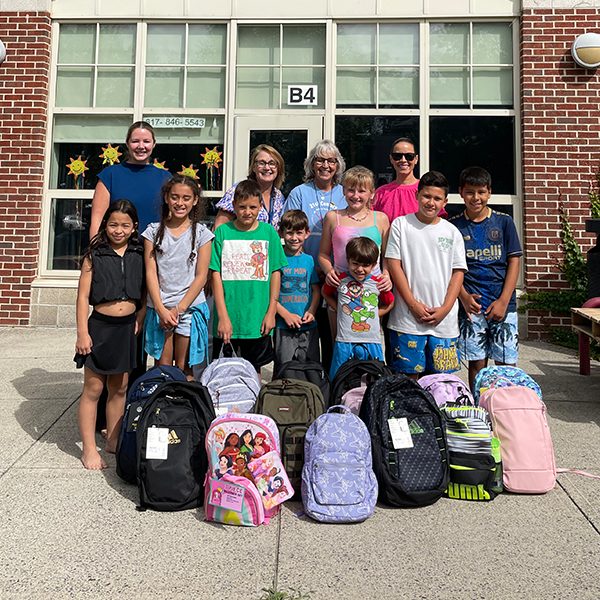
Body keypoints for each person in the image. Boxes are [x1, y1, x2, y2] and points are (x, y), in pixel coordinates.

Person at [74, 200, 145, 470]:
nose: (119, 230)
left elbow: (147, 290)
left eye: (125, 225)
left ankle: (113, 439)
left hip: (127, 328)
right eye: (113, 224)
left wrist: (139, 316)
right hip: (99, 328)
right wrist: (82, 333)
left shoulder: (140, 252)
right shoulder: (95, 255)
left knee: (120, 387)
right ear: (105, 224)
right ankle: (89, 449)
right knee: (94, 388)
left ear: (134, 227)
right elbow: (82, 297)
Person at [386, 171, 467, 380]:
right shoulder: (401, 225)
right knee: (408, 380)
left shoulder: (452, 232)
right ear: (417, 195)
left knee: (441, 382)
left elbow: (458, 273)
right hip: (406, 320)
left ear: (445, 202)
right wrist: (413, 305)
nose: (431, 202)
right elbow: (395, 267)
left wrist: (445, 309)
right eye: (426, 196)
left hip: (444, 323)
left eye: (437, 198)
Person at [449, 166, 523, 390]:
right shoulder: (454, 226)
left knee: (506, 363)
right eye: (470, 192)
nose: (476, 197)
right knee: (477, 363)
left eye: (481, 192)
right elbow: (451, 268)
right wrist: (462, 297)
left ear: (489, 192)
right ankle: (478, 407)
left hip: (503, 304)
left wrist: (503, 300)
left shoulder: (504, 222)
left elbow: (514, 262)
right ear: (461, 192)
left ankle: (505, 408)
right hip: (472, 305)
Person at [210, 179, 288, 379]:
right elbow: (215, 275)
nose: (247, 212)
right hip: (229, 320)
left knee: (254, 373)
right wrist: (223, 316)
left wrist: (271, 312)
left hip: (257, 320)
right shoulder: (222, 232)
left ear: (261, 207)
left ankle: (252, 409)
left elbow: (275, 274)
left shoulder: (269, 232)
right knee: (225, 373)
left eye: (253, 207)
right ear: (233, 206)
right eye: (242, 207)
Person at [142, 175, 214, 380]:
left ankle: (185, 410)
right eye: (175, 197)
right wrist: (161, 309)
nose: (180, 203)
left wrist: (178, 309)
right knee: (162, 368)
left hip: (189, 309)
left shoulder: (202, 234)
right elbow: (150, 273)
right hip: (160, 309)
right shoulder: (152, 232)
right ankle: (163, 410)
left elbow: (201, 276)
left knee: (185, 369)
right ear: (166, 198)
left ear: (194, 201)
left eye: (186, 198)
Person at [283, 140, 346, 369]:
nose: (325, 165)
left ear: (338, 165)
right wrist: (313, 268)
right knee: (306, 340)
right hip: (305, 277)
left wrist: (329, 269)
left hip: (336, 278)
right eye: (320, 159)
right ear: (312, 164)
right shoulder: (300, 193)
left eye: (331, 160)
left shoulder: (344, 192)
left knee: (334, 339)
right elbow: (290, 230)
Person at [319, 165, 392, 341]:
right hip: (340, 289)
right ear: (343, 191)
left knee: (368, 342)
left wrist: (387, 275)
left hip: (371, 290)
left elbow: (387, 256)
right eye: (351, 190)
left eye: (361, 191)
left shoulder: (381, 219)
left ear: (371, 193)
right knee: (340, 343)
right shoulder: (332, 217)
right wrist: (330, 272)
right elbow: (323, 254)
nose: (356, 196)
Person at [322, 237, 394, 379]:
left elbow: (390, 302)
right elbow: (325, 292)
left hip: (372, 340)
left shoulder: (378, 283)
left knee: (376, 376)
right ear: (347, 260)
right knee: (338, 376)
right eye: (355, 263)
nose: (360, 269)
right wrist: (339, 309)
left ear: (374, 265)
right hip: (345, 340)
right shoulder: (339, 279)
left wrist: (376, 312)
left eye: (365, 265)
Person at [90, 121, 171, 237]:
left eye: (146, 141)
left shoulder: (166, 178)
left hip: (155, 250)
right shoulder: (110, 175)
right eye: (135, 141)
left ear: (154, 144)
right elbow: (97, 218)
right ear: (127, 143)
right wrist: (94, 249)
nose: (141, 146)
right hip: (118, 250)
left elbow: (172, 218)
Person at [274, 210, 321, 372]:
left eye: (299, 233)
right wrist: (285, 314)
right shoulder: (277, 259)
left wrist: (312, 311)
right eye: (289, 233)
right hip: (283, 326)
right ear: (281, 233)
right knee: (284, 368)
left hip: (308, 325)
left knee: (310, 368)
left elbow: (315, 290)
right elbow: (270, 294)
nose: (294, 238)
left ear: (307, 233)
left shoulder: (309, 260)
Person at [373, 137, 447, 224]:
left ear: (416, 159)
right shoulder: (381, 193)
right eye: (397, 156)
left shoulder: (426, 189)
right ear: (391, 159)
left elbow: (438, 224)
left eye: (409, 156)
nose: (403, 160)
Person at [213, 144, 286, 231]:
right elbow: (219, 227)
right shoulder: (239, 189)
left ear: (278, 168)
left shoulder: (278, 197)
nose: (267, 167)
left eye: (272, 163)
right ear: (254, 167)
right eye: (261, 163)